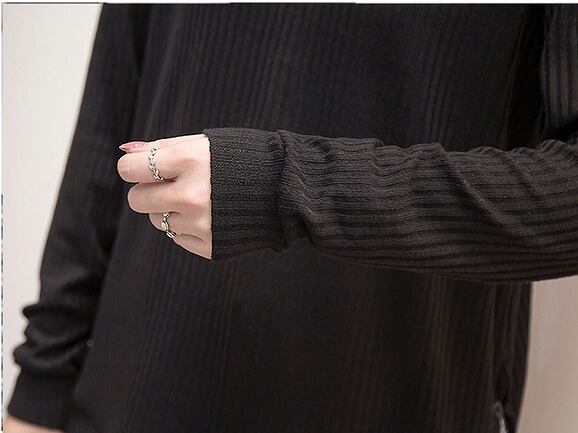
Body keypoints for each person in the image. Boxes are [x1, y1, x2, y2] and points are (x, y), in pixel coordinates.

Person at [5, 4, 577, 433]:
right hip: (131, 397)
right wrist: (40, 386)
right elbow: (112, 115)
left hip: (396, 398)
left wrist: (282, 184)